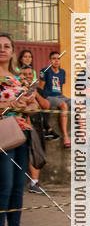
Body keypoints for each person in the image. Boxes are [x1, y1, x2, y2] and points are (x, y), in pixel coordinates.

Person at [0, 33, 37, 226]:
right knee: (3, 188)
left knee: (17, 189)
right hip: (3, 136)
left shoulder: (18, 79)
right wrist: (9, 103)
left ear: (13, 51)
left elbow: (34, 108)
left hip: (22, 134)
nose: (2, 49)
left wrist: (26, 105)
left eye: (7, 46)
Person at [18, 65, 49, 194]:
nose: (27, 76)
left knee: (35, 153)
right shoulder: (16, 89)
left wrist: (35, 94)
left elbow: (46, 106)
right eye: (24, 74)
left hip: (35, 125)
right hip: (17, 126)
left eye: (30, 74)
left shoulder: (37, 90)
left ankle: (34, 183)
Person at [39, 51, 71, 147]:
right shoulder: (45, 71)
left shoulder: (62, 72)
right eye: (54, 59)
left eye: (58, 59)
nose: (56, 61)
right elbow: (40, 87)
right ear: (50, 61)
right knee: (63, 105)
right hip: (49, 97)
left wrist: (63, 97)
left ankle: (82, 133)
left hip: (60, 96)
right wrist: (42, 101)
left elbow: (61, 87)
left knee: (78, 103)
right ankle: (65, 136)